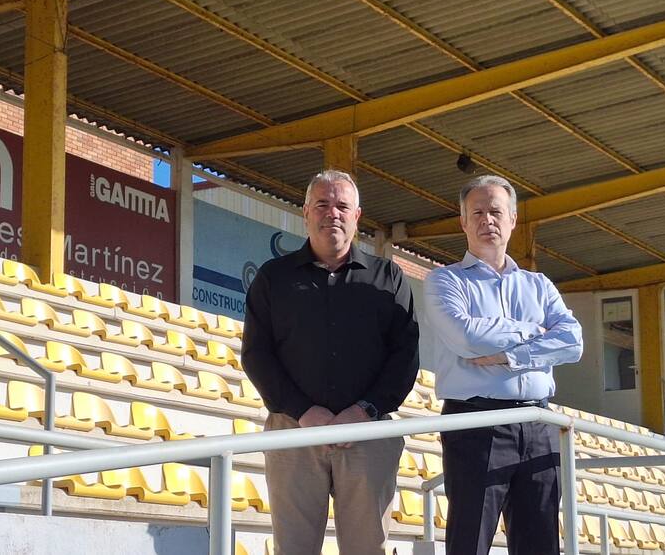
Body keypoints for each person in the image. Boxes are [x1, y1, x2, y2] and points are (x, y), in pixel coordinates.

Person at [242, 169, 420, 555]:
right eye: (322, 204)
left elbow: (405, 357)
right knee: (294, 548)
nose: (332, 213)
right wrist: (304, 412)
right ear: (305, 213)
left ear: (357, 216)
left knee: (367, 548)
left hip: (368, 434)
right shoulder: (275, 278)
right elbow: (257, 354)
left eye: (342, 206)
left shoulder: (388, 277)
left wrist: (365, 410)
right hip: (294, 431)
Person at [421, 174, 583, 555]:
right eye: (476, 212)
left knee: (540, 542)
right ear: (463, 222)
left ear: (512, 219)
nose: (486, 220)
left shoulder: (539, 285)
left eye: (495, 211)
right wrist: (536, 332)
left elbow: (574, 341)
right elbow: (466, 337)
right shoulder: (445, 281)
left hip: (539, 424)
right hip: (476, 424)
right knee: (471, 541)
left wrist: (512, 356)